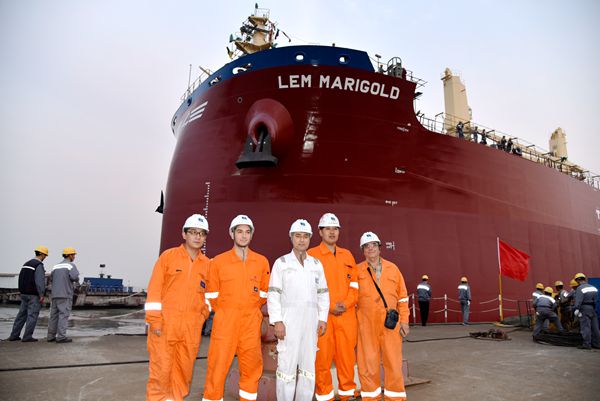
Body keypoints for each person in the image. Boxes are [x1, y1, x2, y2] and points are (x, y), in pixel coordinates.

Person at [202, 215, 270, 401]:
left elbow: (264, 293)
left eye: (247, 232)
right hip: (225, 323)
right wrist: (227, 310)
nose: (243, 235)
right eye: (239, 231)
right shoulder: (218, 262)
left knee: (251, 370)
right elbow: (211, 295)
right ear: (232, 234)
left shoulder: (261, 262)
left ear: (252, 235)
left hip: (250, 324)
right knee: (217, 369)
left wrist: (250, 309)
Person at [145, 214, 211, 401]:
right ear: (184, 234)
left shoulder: (207, 265)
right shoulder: (168, 257)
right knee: (160, 372)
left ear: (205, 237)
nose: (197, 237)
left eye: (201, 233)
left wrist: (201, 316)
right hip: (165, 326)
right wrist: (155, 321)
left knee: (183, 373)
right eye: (193, 232)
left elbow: (209, 297)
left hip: (191, 328)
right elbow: (154, 291)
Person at [267, 219, 329, 401]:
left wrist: (323, 318)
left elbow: (323, 293)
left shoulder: (316, 264)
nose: (302, 240)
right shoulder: (281, 263)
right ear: (291, 238)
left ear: (310, 238)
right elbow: (273, 294)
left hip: (310, 324)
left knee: (308, 369)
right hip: (289, 323)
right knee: (286, 368)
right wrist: (277, 321)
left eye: (305, 236)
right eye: (298, 236)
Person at [307, 213, 358, 401]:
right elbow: (307, 287)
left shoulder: (347, 255)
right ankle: (324, 397)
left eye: (335, 228)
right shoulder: (311, 255)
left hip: (346, 317)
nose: (331, 232)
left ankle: (347, 395)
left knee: (347, 360)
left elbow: (355, 285)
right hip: (322, 318)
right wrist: (329, 307)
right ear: (320, 232)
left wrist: (347, 303)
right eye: (327, 228)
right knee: (322, 361)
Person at [356, 232, 409, 401]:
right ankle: (371, 398)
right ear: (363, 250)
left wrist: (405, 321)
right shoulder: (357, 270)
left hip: (390, 324)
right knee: (367, 364)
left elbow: (402, 298)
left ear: (380, 248)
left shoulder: (393, 269)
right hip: (366, 325)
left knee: (393, 362)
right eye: (366, 246)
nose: (370, 248)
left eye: (373, 245)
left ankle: (395, 398)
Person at [8, 246, 48, 342]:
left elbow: (21, 278)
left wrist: (21, 291)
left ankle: (14, 335)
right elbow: (40, 281)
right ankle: (27, 336)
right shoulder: (38, 265)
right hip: (33, 295)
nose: (45, 257)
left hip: (24, 293)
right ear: (42, 254)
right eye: (45, 255)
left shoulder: (26, 264)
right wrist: (41, 294)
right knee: (32, 315)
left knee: (21, 315)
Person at [47, 247, 80, 343]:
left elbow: (51, 278)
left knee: (53, 316)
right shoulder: (71, 265)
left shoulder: (56, 266)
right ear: (69, 255)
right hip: (65, 294)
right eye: (73, 255)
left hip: (54, 295)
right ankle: (61, 337)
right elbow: (75, 277)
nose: (74, 257)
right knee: (63, 315)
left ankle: (50, 336)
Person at [572, 273, 600, 350]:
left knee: (585, 327)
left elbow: (578, 301)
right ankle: (597, 344)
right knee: (595, 327)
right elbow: (596, 300)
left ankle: (587, 344)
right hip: (592, 308)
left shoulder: (580, 288)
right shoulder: (593, 288)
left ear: (578, 280)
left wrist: (576, 309)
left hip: (584, 309)